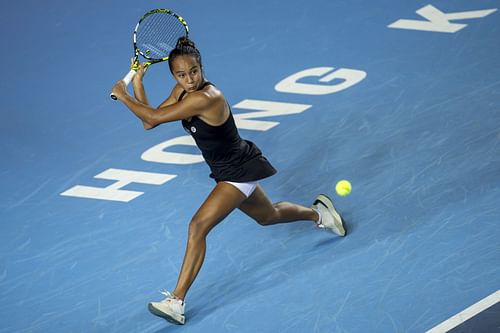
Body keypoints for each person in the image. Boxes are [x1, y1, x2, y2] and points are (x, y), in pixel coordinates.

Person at [111, 37, 346, 325]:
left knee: (197, 226)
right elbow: (150, 121)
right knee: (268, 215)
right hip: (228, 170)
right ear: (174, 75)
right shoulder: (183, 91)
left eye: (194, 71)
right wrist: (137, 85)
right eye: (181, 74)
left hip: (237, 170)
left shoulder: (206, 97)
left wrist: (123, 96)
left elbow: (154, 116)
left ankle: (176, 300)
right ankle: (320, 213)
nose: (189, 78)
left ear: (201, 66)